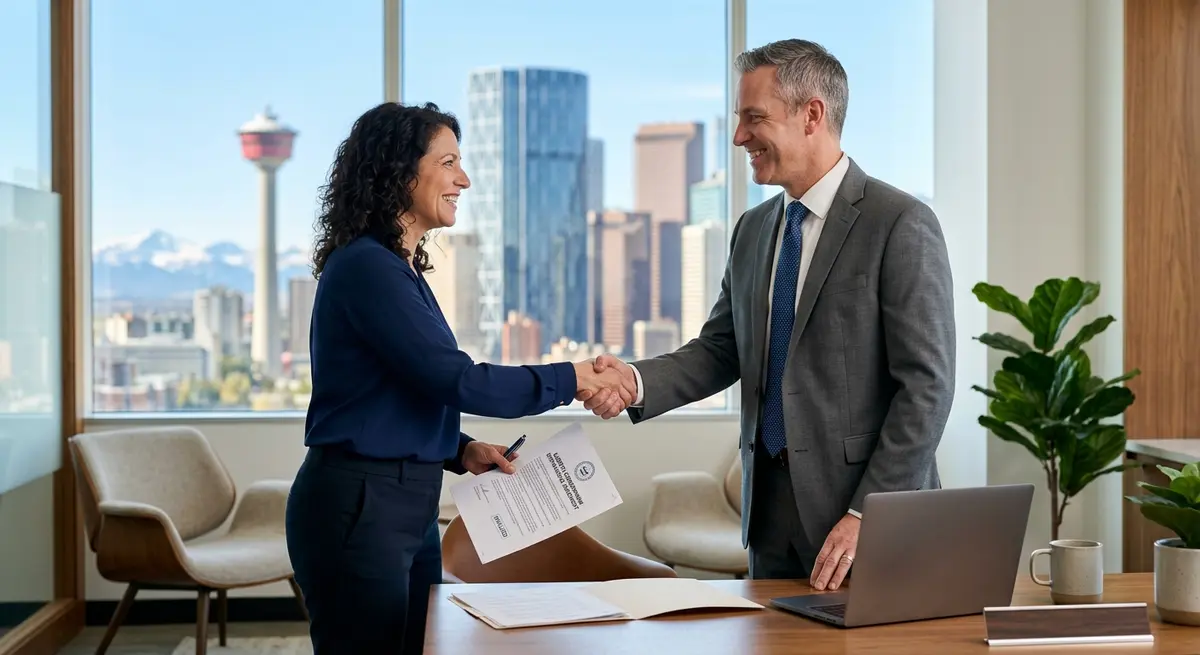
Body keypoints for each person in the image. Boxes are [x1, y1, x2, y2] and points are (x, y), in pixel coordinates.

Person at [582, 39, 955, 591]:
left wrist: (865, 514)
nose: (738, 137)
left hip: (866, 518)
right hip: (769, 516)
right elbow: (721, 349)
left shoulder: (900, 222)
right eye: (739, 119)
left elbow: (926, 388)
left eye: (755, 118)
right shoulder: (753, 230)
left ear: (812, 115)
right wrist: (634, 382)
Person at [285, 101, 630, 655]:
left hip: (406, 505)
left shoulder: (398, 270)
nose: (463, 180)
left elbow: (405, 389)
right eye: (449, 163)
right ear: (400, 171)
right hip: (361, 507)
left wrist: (460, 450)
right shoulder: (368, 269)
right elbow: (458, 380)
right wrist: (574, 377)